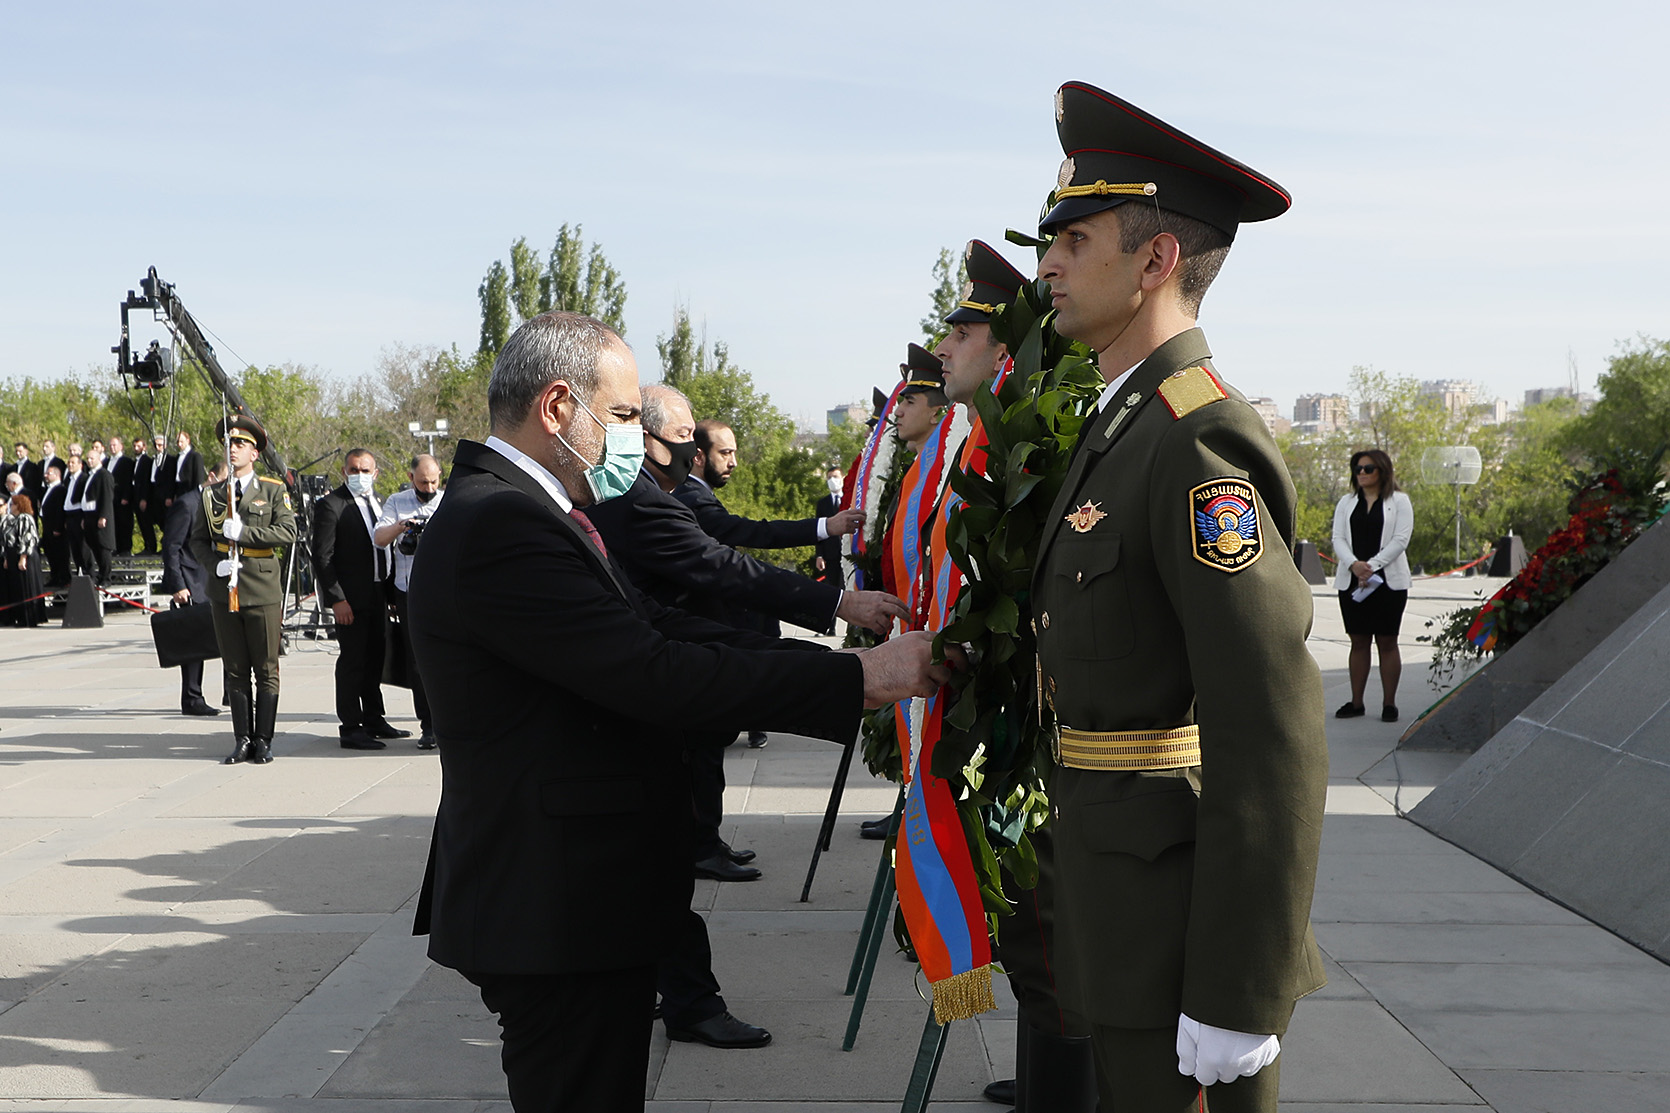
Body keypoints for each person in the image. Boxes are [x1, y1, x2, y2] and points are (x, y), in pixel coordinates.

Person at [406, 309, 949, 1113]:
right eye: (624, 414)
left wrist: (845, 670)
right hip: (557, 904)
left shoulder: (524, 508)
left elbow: (656, 628)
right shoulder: (500, 521)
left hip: (574, 894)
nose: (636, 437)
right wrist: (857, 678)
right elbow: (652, 671)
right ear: (557, 407)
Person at [1029, 81, 1328, 1111]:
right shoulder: (1124, 425)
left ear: (1155, 260)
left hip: (1181, 938)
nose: (1049, 263)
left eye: (1074, 239)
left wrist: (1240, 988)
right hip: (1121, 899)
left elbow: (1269, 725)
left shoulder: (1194, 438)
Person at [587, 383, 907, 885]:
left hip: (681, 641)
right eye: (684, 435)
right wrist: (839, 605)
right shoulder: (640, 498)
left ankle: (700, 843)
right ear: (649, 440)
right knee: (691, 761)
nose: (693, 449)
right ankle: (697, 846)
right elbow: (725, 564)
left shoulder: (645, 492)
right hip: (671, 656)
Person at [189, 415, 297, 765]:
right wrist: (214, 565)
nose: (233, 449)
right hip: (225, 589)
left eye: (240, 444)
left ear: (255, 452)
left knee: (265, 668)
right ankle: (242, 739)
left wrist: (245, 534)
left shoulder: (272, 490)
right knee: (235, 669)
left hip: (261, 588)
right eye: (229, 444)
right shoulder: (212, 494)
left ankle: (264, 739)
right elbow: (198, 540)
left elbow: (288, 532)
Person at [313, 449, 404, 750]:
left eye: (365, 470)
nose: (360, 475)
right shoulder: (331, 505)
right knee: (352, 662)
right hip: (350, 599)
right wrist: (337, 599)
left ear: (375, 473)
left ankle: (374, 718)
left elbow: (385, 551)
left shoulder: (379, 502)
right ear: (344, 472)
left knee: (375, 659)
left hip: (377, 594)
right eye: (354, 470)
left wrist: (390, 593)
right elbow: (322, 557)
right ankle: (351, 727)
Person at [1331, 449, 1413, 722]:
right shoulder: (1346, 502)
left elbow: (1400, 540)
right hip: (1353, 581)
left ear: (1382, 471)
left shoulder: (1399, 501)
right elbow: (1338, 538)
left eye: (1368, 468)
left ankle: (1389, 704)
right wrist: (1354, 565)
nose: (1362, 473)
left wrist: (1372, 566)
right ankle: (1356, 702)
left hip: (1388, 582)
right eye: (1358, 469)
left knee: (1387, 641)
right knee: (1358, 640)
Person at [373, 454, 445, 749]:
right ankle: (428, 726)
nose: (429, 488)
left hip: (443, 591)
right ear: (410, 477)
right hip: (409, 591)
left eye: (434, 481)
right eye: (423, 482)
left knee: (447, 658)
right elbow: (379, 538)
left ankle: (450, 722)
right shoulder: (397, 501)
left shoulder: (448, 501)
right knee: (418, 662)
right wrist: (403, 527)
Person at [162, 461, 225, 716]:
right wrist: (178, 585)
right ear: (211, 477)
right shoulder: (187, 504)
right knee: (193, 644)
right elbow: (171, 547)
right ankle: (192, 698)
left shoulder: (221, 504)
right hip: (192, 582)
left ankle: (233, 692)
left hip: (215, 580)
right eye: (223, 481)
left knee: (228, 638)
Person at [2, 493, 46, 627]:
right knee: (17, 588)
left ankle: (29, 618)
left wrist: (23, 557)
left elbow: (27, 539)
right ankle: (19, 616)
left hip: (24, 556)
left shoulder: (25, 518)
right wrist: (6, 558)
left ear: (19, 505)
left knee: (26, 586)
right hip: (12, 555)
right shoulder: (11, 520)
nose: (10, 507)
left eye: (13, 505)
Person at [82, 440, 116, 585]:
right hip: (90, 515)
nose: (89, 461)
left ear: (99, 459)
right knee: (94, 545)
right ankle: (100, 576)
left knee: (103, 547)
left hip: (100, 516)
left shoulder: (104, 475)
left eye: (92, 458)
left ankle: (106, 577)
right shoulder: (90, 475)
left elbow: (107, 497)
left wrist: (103, 516)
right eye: (88, 458)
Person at [61, 444, 93, 579]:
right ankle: (80, 570)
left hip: (79, 514)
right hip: (69, 515)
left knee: (83, 546)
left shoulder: (84, 478)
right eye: (69, 463)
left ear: (80, 465)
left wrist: (85, 518)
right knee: (74, 546)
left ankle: (89, 573)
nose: (70, 465)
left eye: (73, 463)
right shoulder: (68, 480)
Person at [136, 432, 169, 553]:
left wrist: (169, 496)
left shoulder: (169, 460)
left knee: (165, 522)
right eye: (156, 445)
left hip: (164, 494)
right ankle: (150, 546)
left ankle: (166, 546)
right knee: (151, 520)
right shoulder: (152, 460)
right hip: (152, 493)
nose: (158, 447)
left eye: (160, 445)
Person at [813, 466, 844, 585]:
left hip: (850, 550)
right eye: (829, 478)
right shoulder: (822, 504)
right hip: (831, 553)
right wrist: (819, 555)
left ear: (842, 477)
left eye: (835, 477)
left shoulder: (851, 498)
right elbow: (818, 530)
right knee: (833, 586)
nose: (832, 480)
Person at [39, 464, 68, 587]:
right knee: (50, 553)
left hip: (55, 527)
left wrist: (58, 527)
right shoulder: (48, 489)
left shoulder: (60, 489)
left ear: (56, 475)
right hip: (47, 526)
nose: (46, 475)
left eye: (48, 473)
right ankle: (55, 576)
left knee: (59, 554)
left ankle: (63, 578)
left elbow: (59, 510)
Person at [109, 435, 137, 557]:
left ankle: (125, 549)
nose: (112, 447)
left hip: (122, 499)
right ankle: (115, 548)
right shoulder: (107, 462)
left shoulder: (127, 461)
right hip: (111, 499)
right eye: (110, 445)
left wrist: (126, 496)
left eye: (114, 445)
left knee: (124, 524)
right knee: (113, 524)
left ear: (121, 446)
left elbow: (128, 480)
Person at [169, 430, 206, 510]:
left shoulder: (195, 456)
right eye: (178, 442)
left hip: (189, 490)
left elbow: (199, 477)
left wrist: (196, 495)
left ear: (188, 440)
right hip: (178, 490)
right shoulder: (177, 457)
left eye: (181, 441)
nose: (179, 444)